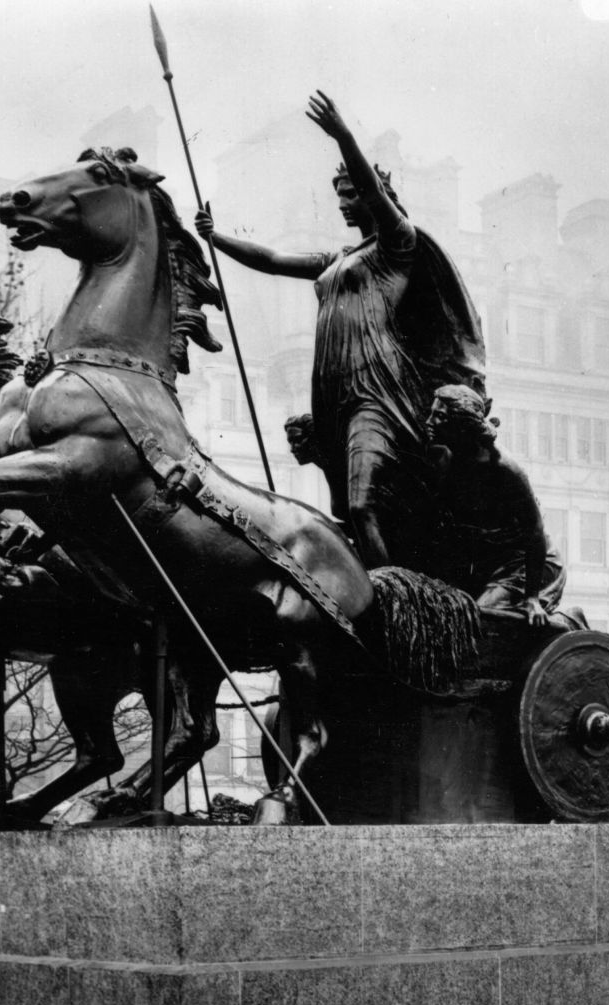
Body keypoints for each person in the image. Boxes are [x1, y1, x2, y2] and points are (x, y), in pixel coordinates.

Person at [196, 91, 485, 570]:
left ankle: (391, 597)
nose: (345, 204)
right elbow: (272, 260)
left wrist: (343, 136)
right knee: (348, 511)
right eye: (340, 196)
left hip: (377, 388)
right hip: (334, 393)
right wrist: (216, 237)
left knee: (363, 503)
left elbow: (374, 193)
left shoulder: (398, 245)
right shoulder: (339, 258)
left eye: (352, 194)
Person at [425, 384, 565, 626]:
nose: (429, 422)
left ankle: (570, 619)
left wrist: (531, 598)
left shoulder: (504, 468)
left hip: (526, 566)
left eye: (439, 416)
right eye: (432, 413)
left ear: (461, 425)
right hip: (488, 563)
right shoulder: (447, 459)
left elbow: (535, 533)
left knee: (478, 620)